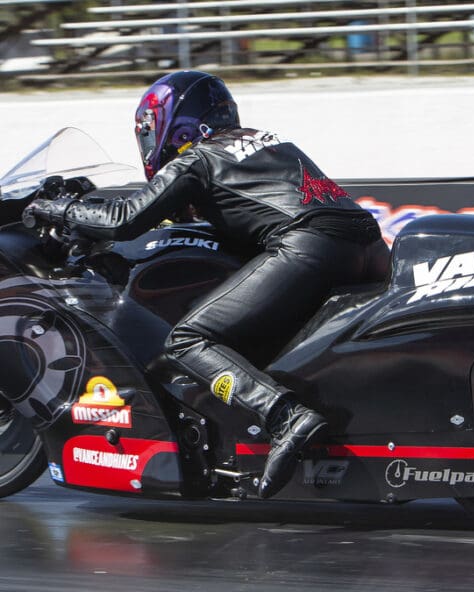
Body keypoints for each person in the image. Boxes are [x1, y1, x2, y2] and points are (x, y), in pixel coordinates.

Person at [23, 71, 391, 498]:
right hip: (367, 244)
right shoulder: (264, 140)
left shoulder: (196, 157)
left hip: (311, 245)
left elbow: (125, 220)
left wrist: (57, 207)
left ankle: (284, 417)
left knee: (187, 339)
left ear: (172, 123)